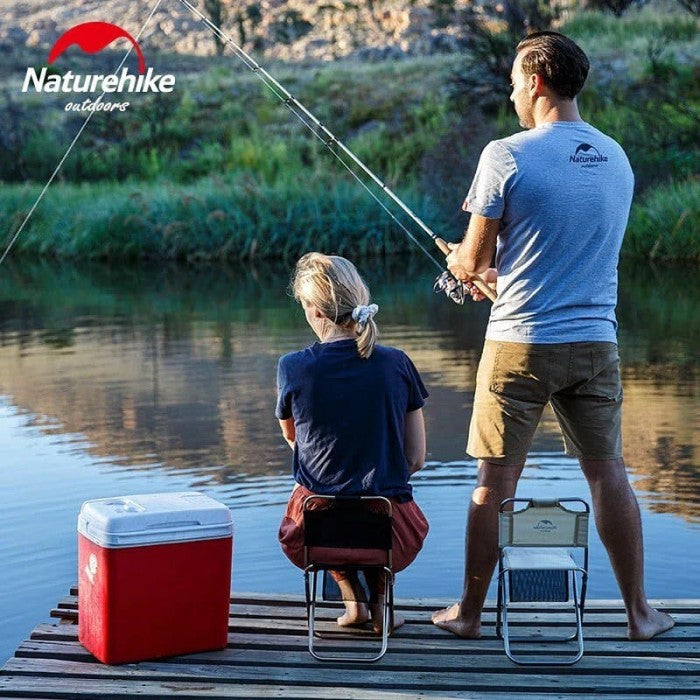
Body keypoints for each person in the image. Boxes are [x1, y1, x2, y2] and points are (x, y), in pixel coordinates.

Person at [431, 31, 675, 641]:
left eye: (516, 80)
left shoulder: (505, 154)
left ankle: (467, 615)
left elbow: (474, 259)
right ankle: (641, 614)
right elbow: (564, 248)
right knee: (608, 472)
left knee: (495, 483)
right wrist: (494, 273)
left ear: (536, 81)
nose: (512, 91)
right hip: (597, 344)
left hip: (519, 345)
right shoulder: (616, 155)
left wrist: (463, 264)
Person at [276, 252, 429, 632]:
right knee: (381, 495)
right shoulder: (397, 363)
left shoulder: (292, 367)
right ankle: (380, 607)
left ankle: (353, 603)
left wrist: (337, 468)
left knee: (317, 489)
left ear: (313, 310)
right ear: (360, 297)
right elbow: (416, 458)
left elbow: (293, 439)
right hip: (391, 532)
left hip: (316, 531)